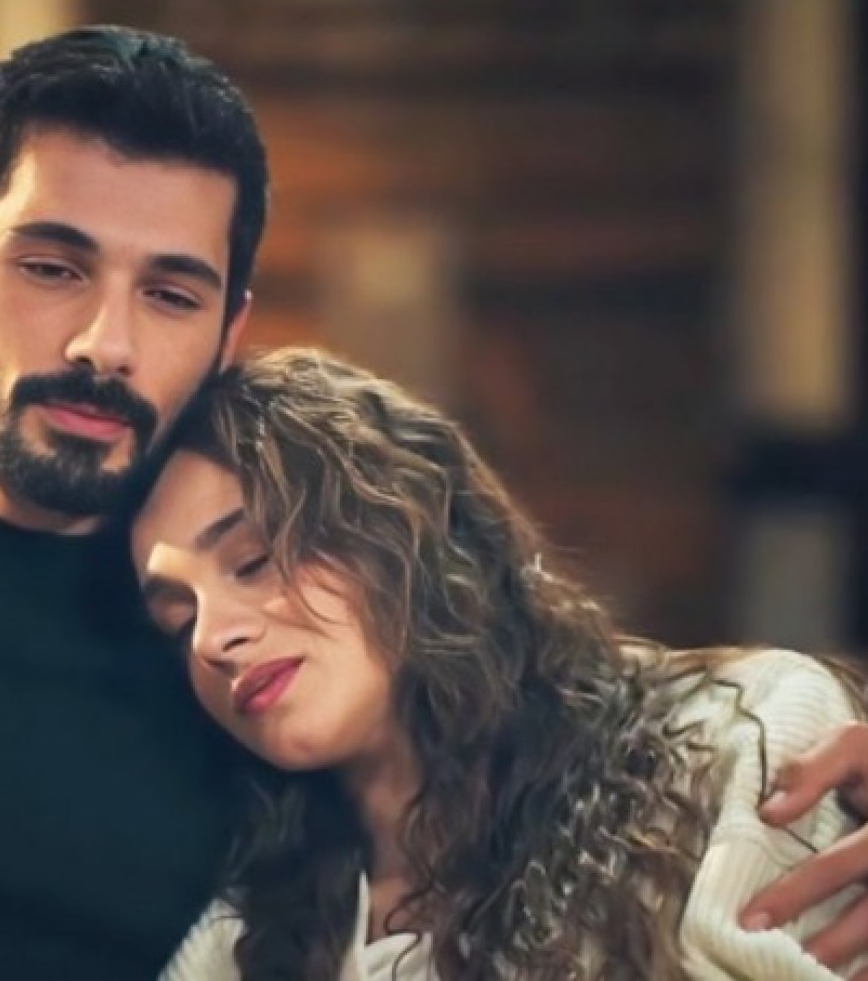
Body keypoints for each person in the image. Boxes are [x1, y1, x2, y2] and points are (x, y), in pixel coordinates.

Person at [0, 21, 864, 981]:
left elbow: (567, 727)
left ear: (229, 331)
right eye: (52, 266)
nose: (106, 343)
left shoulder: (264, 697)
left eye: (171, 292)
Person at [131, 346, 868, 979]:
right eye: (178, 620)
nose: (211, 638)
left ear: (406, 524)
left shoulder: (733, 747)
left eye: (254, 560)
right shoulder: (239, 943)